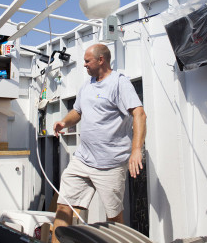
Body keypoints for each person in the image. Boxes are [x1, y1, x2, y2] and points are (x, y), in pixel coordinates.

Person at [51, 43, 147, 243]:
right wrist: (64, 122)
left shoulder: (119, 83)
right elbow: (77, 111)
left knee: (113, 218)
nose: (84, 65)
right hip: (82, 160)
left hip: (110, 164)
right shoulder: (87, 85)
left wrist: (136, 150)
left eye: (87, 61)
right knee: (63, 206)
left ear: (101, 60)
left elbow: (139, 113)